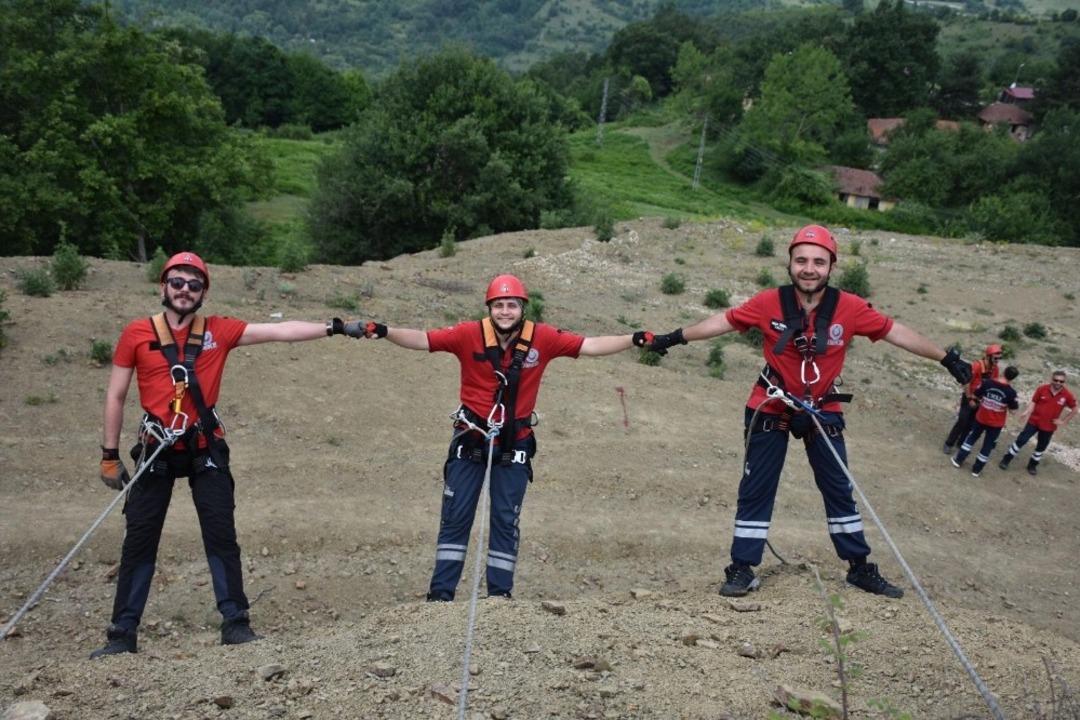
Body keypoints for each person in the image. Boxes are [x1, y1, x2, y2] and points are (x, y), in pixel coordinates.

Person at [646, 225, 973, 599]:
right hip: (771, 403)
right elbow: (722, 322)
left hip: (822, 406)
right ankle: (742, 567)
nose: (809, 268)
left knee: (838, 488)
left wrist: (946, 358)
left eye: (819, 261)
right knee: (756, 488)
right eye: (801, 260)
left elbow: (895, 332)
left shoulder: (849, 307)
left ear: (831, 266)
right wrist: (672, 338)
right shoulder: (768, 302)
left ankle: (859, 567)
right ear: (789, 263)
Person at [91, 252, 355, 658]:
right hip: (156, 447)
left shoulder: (219, 331)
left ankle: (236, 623)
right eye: (177, 282)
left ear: (204, 293)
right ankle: (122, 633)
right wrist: (109, 454)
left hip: (203, 447)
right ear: (163, 286)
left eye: (194, 285)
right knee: (139, 540)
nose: (184, 291)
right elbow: (115, 394)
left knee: (221, 536)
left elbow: (279, 331)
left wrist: (333, 328)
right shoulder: (136, 334)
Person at [345, 274, 650, 601]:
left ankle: (499, 600)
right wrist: (386, 332)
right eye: (499, 305)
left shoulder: (542, 338)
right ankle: (440, 597)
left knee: (506, 520)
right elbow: (423, 339)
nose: (505, 311)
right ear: (490, 307)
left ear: (522, 308)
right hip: (471, 436)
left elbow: (590, 345)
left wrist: (632, 338)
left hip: (514, 441)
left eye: (512, 305)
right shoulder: (467, 334)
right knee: (456, 517)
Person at [999, 370, 1076, 476]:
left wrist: (1063, 421)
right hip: (1034, 421)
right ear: (1051, 379)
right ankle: (1006, 459)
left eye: (1061, 381)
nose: (1058, 383)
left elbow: (1075, 409)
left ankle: (1032, 465)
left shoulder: (1067, 395)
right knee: (1021, 440)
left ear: (1064, 382)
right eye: (1056, 380)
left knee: (1041, 447)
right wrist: (1026, 412)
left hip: (1049, 426)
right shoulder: (1042, 389)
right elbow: (1034, 402)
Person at [951, 365, 1020, 477]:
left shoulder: (988, 383)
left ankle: (958, 460)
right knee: (988, 445)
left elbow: (975, 396)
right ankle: (976, 470)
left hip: (981, 418)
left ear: (1003, 372)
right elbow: (1013, 411)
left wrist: (984, 401)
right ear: (1013, 378)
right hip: (996, 423)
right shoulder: (1011, 392)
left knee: (971, 438)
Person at [942, 344, 1002, 455]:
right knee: (962, 420)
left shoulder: (995, 369)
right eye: (996, 358)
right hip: (970, 396)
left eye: (999, 358)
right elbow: (966, 382)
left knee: (971, 424)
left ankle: (961, 443)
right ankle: (949, 443)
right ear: (988, 356)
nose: (998, 360)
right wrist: (969, 398)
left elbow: (993, 384)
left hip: (981, 399)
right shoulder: (977, 366)